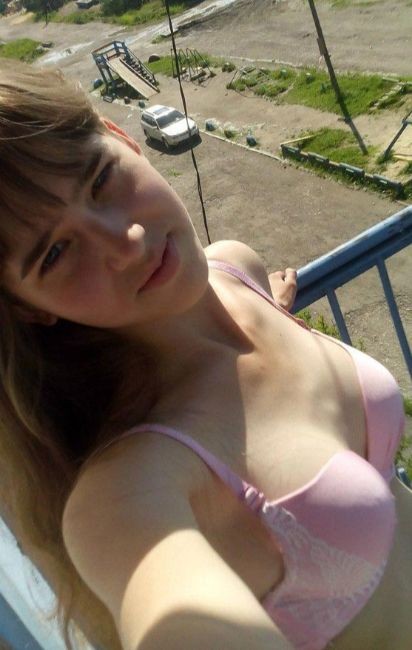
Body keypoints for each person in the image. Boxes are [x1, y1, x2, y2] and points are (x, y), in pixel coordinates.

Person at [0, 60, 410, 650]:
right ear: (29, 308)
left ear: (121, 138)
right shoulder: (126, 491)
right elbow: (170, 608)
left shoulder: (236, 270)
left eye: (100, 180)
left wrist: (271, 306)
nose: (127, 243)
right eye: (56, 254)